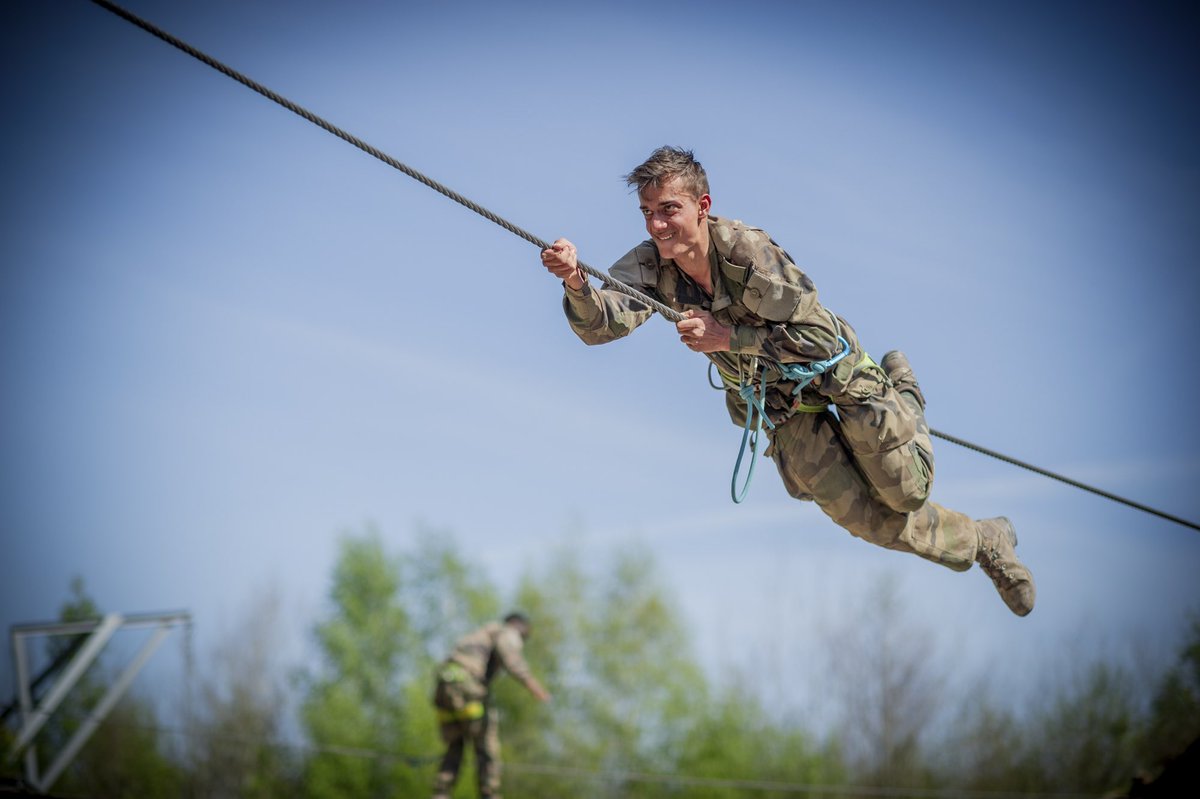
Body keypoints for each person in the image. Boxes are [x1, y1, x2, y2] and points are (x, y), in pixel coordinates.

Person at [540, 146, 1036, 617]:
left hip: (836, 378)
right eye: (648, 212)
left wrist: (727, 338)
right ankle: (984, 541)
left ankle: (903, 389)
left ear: (702, 206)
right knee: (866, 518)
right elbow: (603, 324)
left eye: (669, 209)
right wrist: (576, 283)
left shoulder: (747, 253)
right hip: (780, 405)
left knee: (907, 494)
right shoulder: (650, 263)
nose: (658, 224)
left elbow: (820, 339)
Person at [430, 612, 550, 799]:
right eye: (524, 635)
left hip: (444, 689)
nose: (522, 640)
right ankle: (490, 794)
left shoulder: (478, 634)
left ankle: (441, 793)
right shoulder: (506, 632)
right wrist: (535, 688)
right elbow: (512, 660)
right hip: (468, 686)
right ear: (518, 625)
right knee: (487, 746)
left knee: (455, 745)